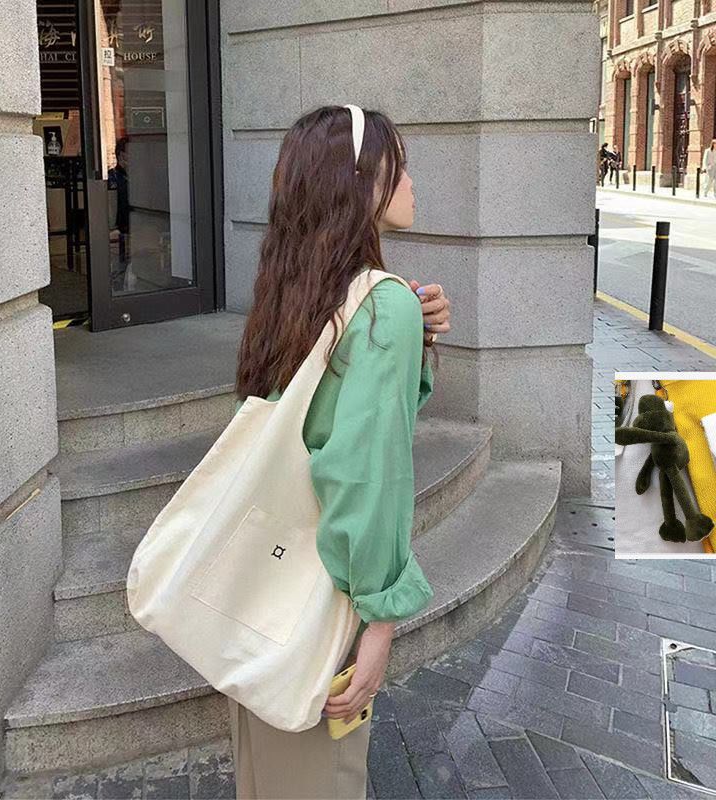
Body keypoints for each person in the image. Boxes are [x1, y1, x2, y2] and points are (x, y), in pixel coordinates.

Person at [226, 104, 451, 799]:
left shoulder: (294, 288)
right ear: (361, 183)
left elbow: (318, 422)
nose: (412, 181)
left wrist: (414, 339)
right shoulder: (383, 306)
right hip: (324, 594)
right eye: (399, 165)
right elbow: (366, 473)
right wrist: (379, 624)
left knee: (263, 774)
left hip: (263, 581)